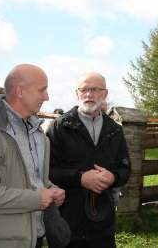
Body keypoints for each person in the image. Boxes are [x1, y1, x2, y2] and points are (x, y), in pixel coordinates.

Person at [0, 64, 65, 248]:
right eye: (42, 90)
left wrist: (51, 189)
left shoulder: (38, 133)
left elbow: (32, 180)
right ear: (20, 91)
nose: (46, 97)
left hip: (34, 238)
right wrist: (37, 198)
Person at [47, 72, 131, 248]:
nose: (88, 94)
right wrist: (80, 178)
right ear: (77, 93)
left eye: (94, 89)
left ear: (105, 94)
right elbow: (47, 170)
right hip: (68, 222)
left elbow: (125, 169)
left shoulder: (114, 130)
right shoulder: (60, 127)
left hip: (103, 225)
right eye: (83, 89)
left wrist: (113, 177)